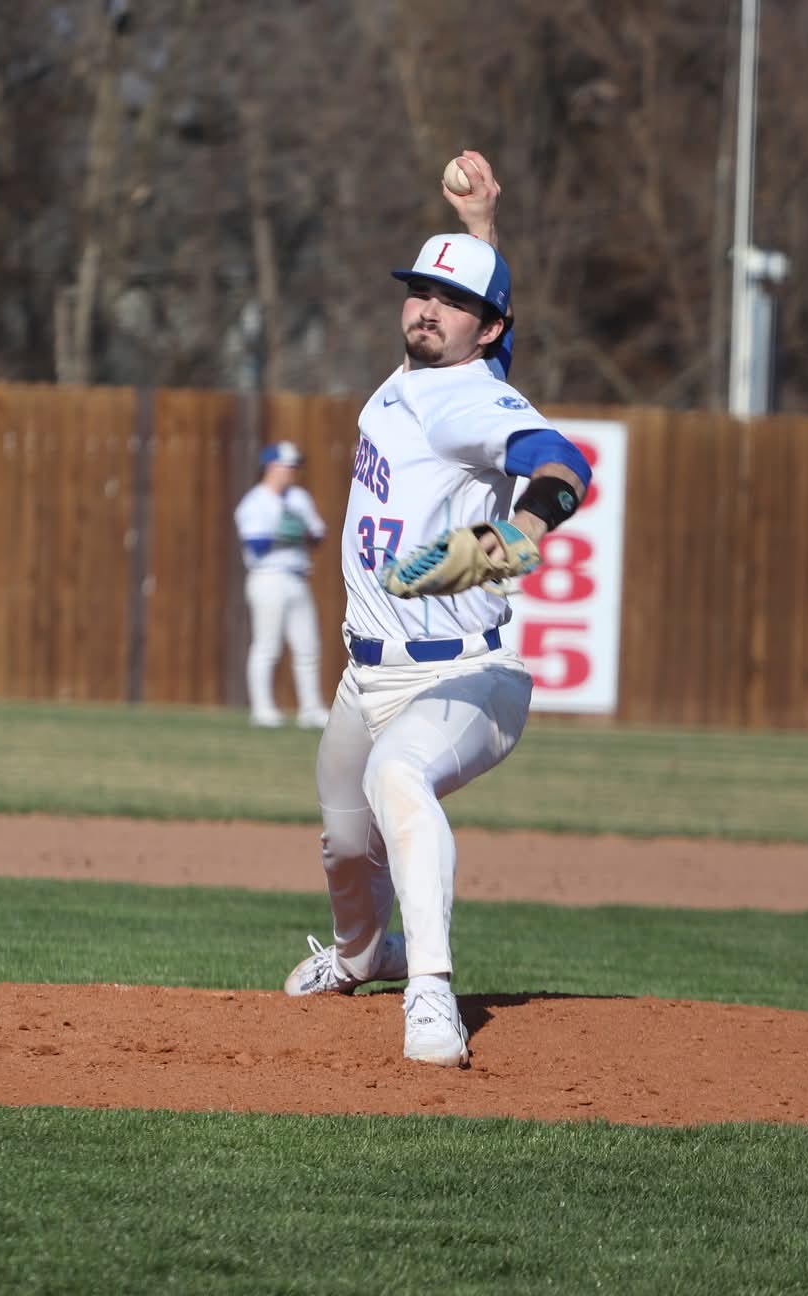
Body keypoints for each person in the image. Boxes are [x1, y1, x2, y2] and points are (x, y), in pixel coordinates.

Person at [282, 165, 592, 1069]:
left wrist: (521, 529)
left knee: (398, 780)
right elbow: (485, 327)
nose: (428, 308)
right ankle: (359, 956)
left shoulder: (466, 397)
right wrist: (482, 225)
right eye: (421, 290)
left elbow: (559, 457)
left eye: (451, 300)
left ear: (485, 327)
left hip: (465, 674)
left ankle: (430, 991)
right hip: (367, 673)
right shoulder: (428, 369)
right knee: (344, 841)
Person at [234, 441, 331, 729]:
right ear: (271, 467)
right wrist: (288, 532)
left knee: (308, 646)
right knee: (267, 646)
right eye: (287, 466)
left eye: (294, 467)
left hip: (297, 576)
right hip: (268, 577)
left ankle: (310, 709)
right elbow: (256, 543)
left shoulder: (299, 498)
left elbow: (318, 534)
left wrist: (298, 532)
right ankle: (263, 709)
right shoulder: (256, 501)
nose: (292, 472)